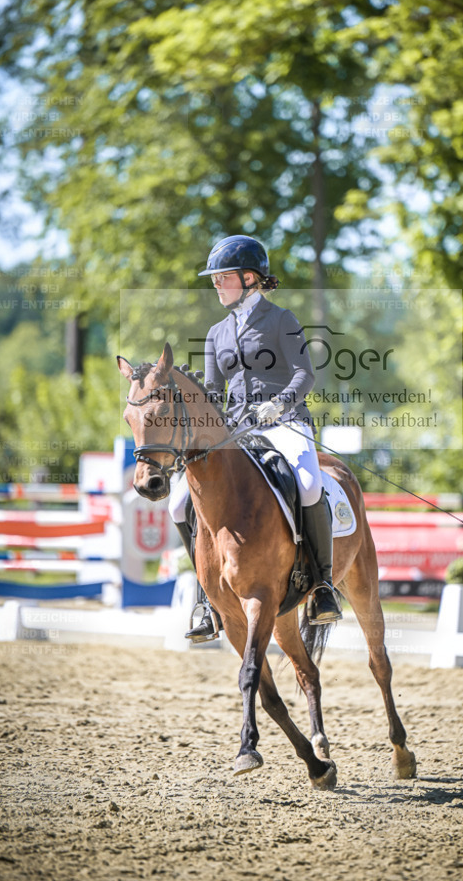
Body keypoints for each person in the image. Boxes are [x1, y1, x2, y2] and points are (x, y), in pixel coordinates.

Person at [169, 234, 343, 642]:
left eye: (222, 278)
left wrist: (279, 404)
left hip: (284, 423)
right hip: (236, 431)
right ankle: (207, 597)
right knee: (179, 502)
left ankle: (321, 586)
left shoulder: (282, 320)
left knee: (309, 483)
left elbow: (305, 374)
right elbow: (213, 392)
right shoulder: (216, 333)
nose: (216, 285)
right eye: (213, 279)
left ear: (249, 278)